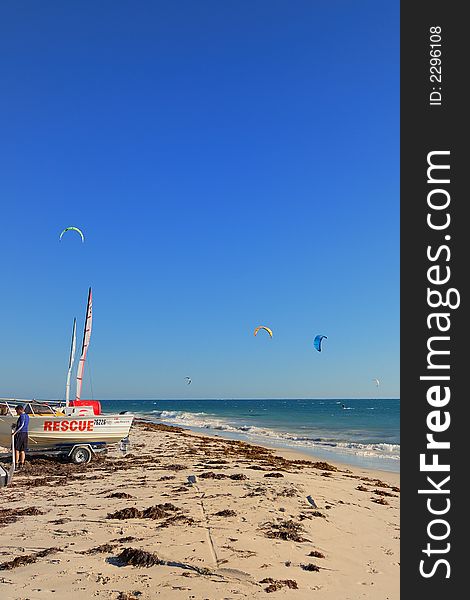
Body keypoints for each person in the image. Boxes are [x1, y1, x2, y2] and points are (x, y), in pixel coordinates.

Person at [13, 404, 29, 470]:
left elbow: (22, 425)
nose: (17, 413)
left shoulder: (22, 416)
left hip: (20, 434)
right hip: (25, 434)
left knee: (17, 449)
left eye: (17, 411)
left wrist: (15, 433)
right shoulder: (27, 416)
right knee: (22, 450)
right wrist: (16, 425)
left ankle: (16, 464)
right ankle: (22, 464)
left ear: (20, 410)